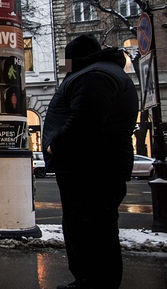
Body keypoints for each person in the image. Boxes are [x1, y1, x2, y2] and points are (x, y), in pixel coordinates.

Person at [42, 34, 137, 289]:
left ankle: (93, 282)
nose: (65, 66)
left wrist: (55, 144)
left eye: (67, 60)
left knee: (90, 229)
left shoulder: (95, 76)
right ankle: (89, 279)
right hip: (93, 165)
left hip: (88, 168)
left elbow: (85, 120)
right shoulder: (102, 72)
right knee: (91, 229)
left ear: (76, 58)